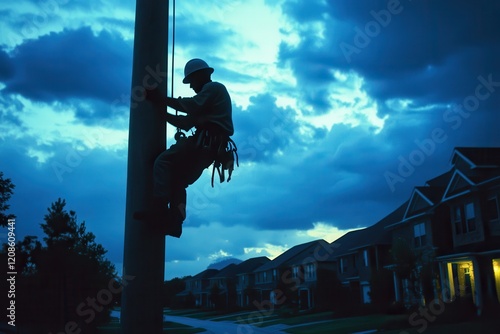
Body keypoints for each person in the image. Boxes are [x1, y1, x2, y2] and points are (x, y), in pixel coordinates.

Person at [134, 58, 234, 238]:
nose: (190, 86)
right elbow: (186, 122)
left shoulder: (213, 88)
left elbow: (191, 106)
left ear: (200, 76)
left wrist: (160, 99)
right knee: (178, 182)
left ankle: (158, 212)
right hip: (208, 147)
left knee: (163, 162)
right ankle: (174, 223)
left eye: (191, 81)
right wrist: (160, 110)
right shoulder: (209, 101)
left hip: (205, 143)